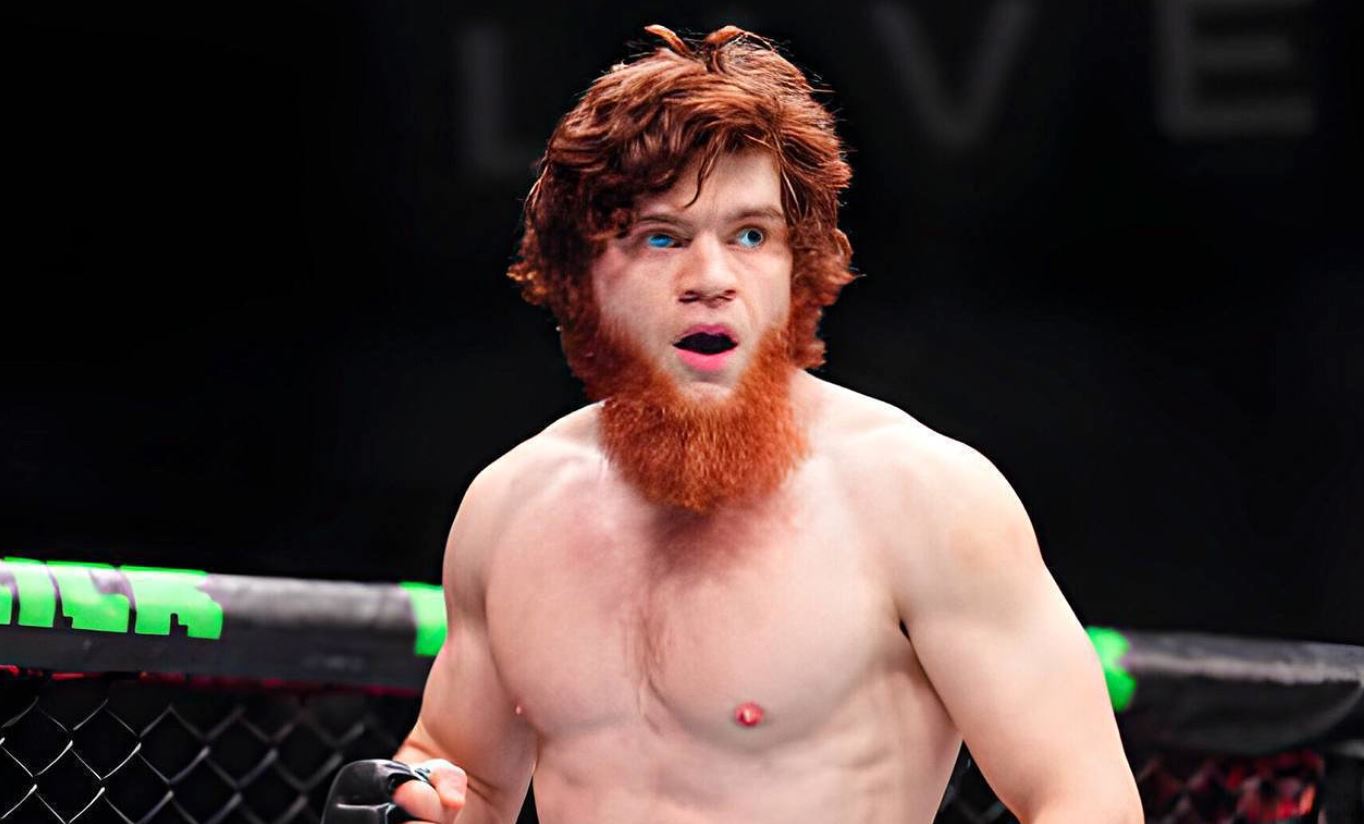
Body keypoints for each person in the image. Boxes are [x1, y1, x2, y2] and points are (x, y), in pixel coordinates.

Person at [385, 24, 1142, 824]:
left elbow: (1084, 798)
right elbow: (466, 777)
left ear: (797, 265)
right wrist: (413, 796)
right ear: (582, 278)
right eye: (662, 237)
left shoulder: (922, 497)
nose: (712, 278)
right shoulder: (510, 509)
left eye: (751, 235)